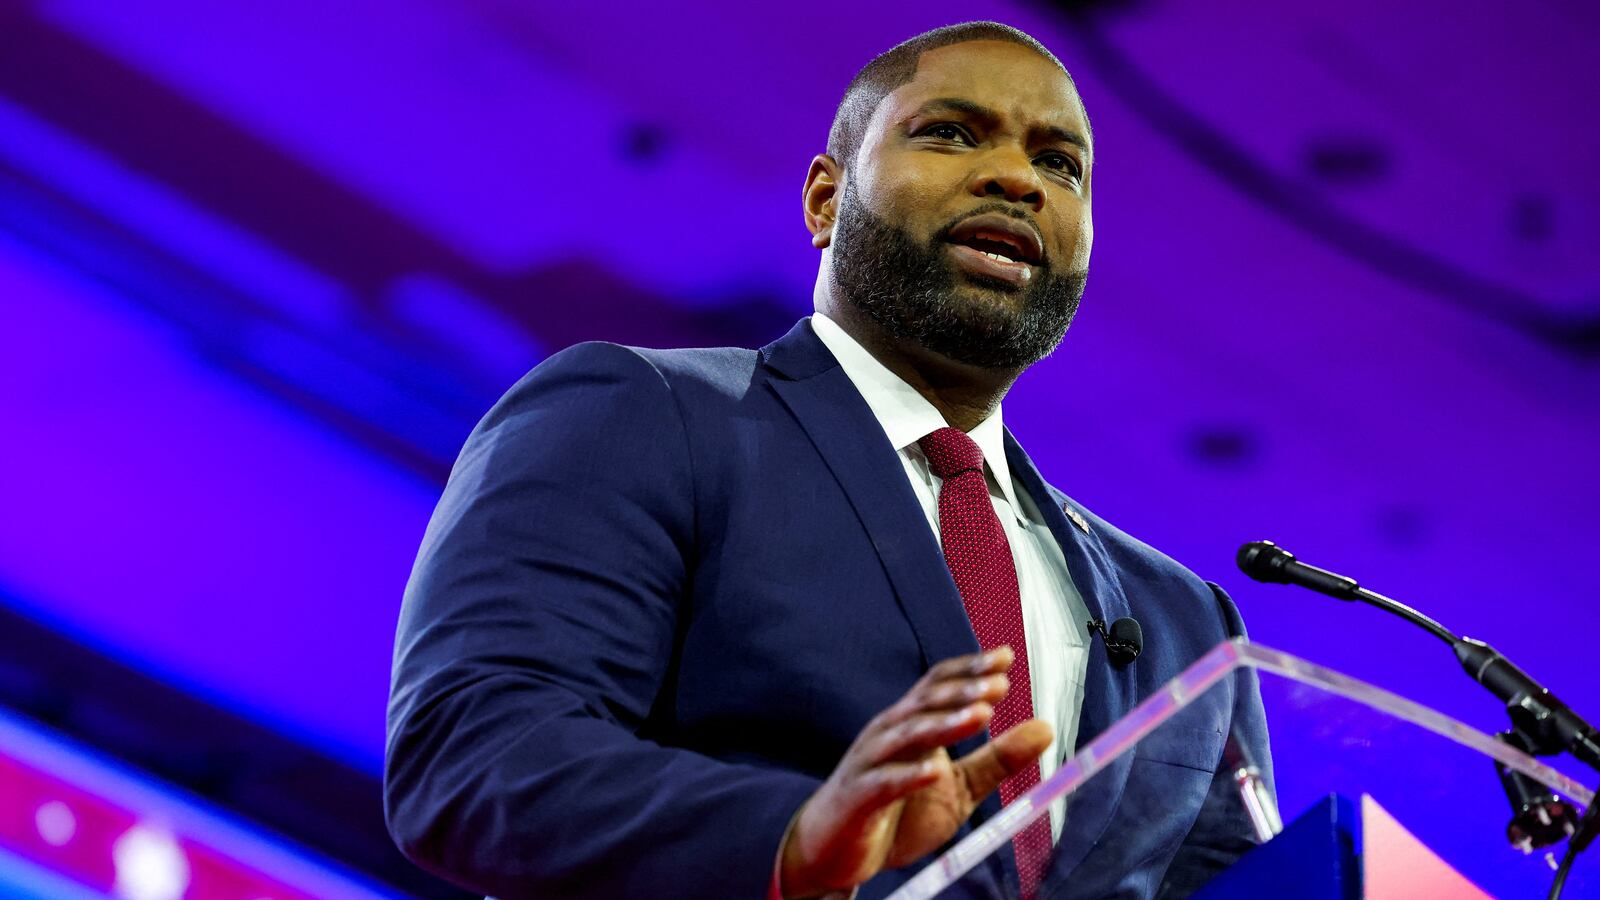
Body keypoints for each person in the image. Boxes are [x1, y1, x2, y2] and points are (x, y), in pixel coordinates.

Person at [385, 20, 1272, 900]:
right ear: (824, 200)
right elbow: (474, 751)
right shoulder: (645, 413)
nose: (1017, 179)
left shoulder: (1186, 622)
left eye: (1060, 164)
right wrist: (794, 839)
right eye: (950, 133)